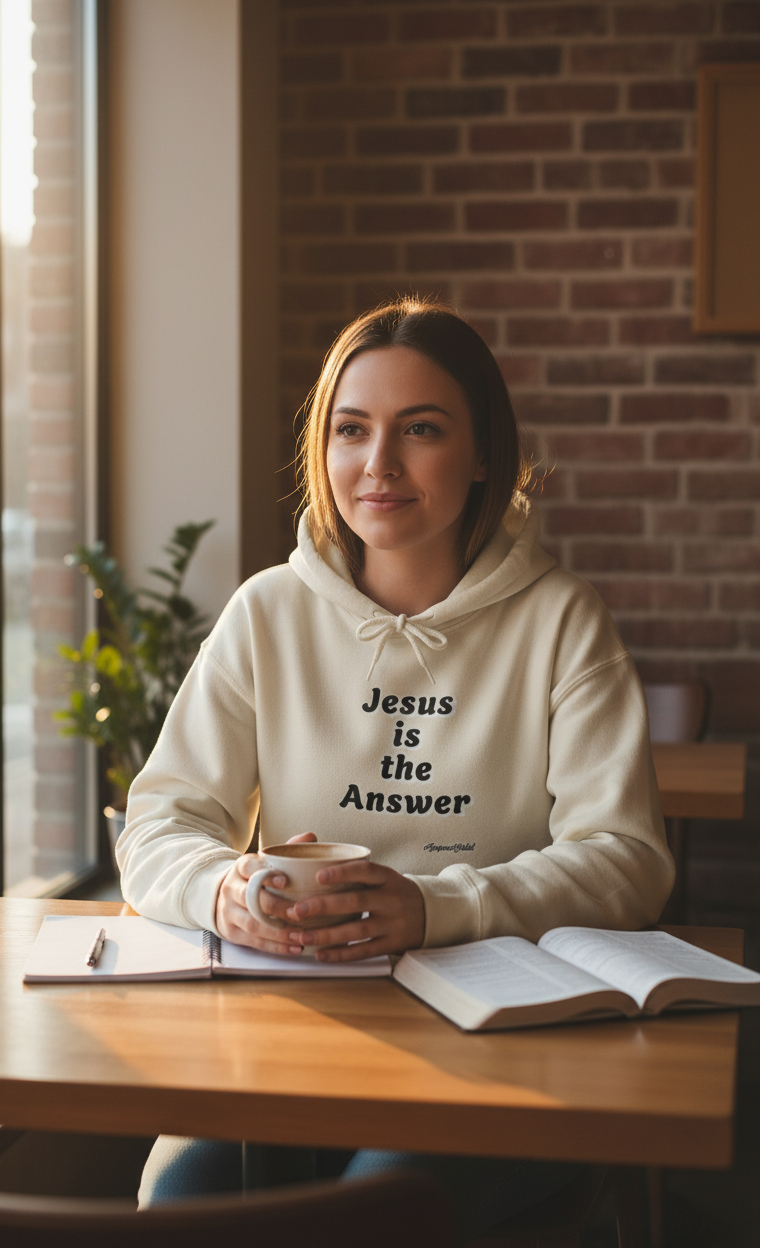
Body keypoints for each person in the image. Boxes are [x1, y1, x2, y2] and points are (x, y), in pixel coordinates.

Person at [118, 299, 674, 1231]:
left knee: (379, 1205)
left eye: (420, 430)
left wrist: (437, 905)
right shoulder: (267, 615)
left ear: (485, 453)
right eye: (351, 430)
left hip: (498, 1036)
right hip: (298, 1030)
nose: (377, 465)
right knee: (182, 1200)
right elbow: (159, 823)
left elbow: (628, 858)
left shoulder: (563, 621)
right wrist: (223, 888)